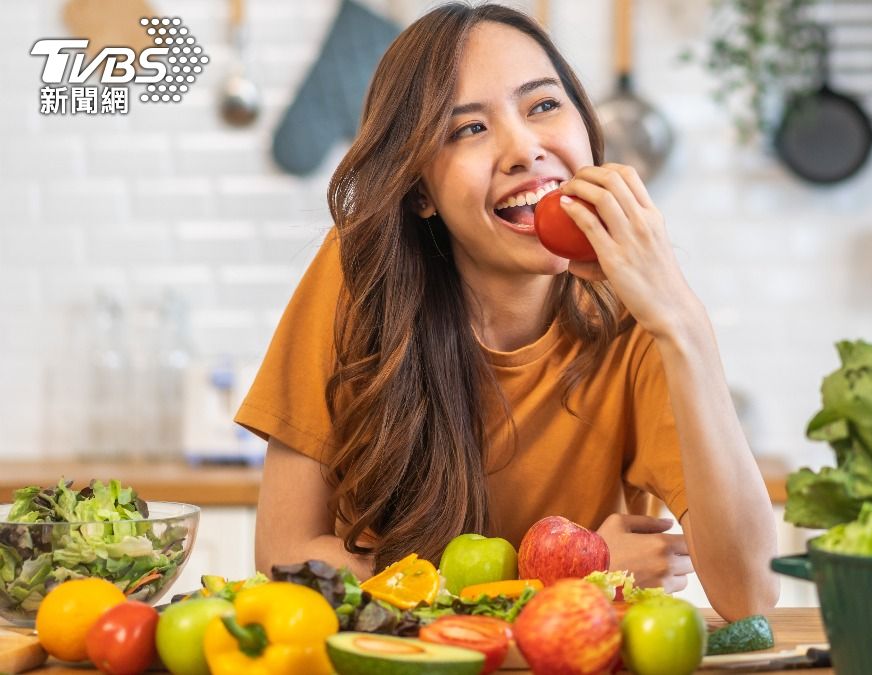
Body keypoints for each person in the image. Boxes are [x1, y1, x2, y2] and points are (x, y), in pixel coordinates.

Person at [237, 2, 778, 620]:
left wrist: (683, 321)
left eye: (543, 105)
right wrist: (572, 570)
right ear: (420, 193)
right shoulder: (358, 277)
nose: (524, 148)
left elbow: (750, 593)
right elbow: (286, 559)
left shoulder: (640, 317)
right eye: (468, 129)